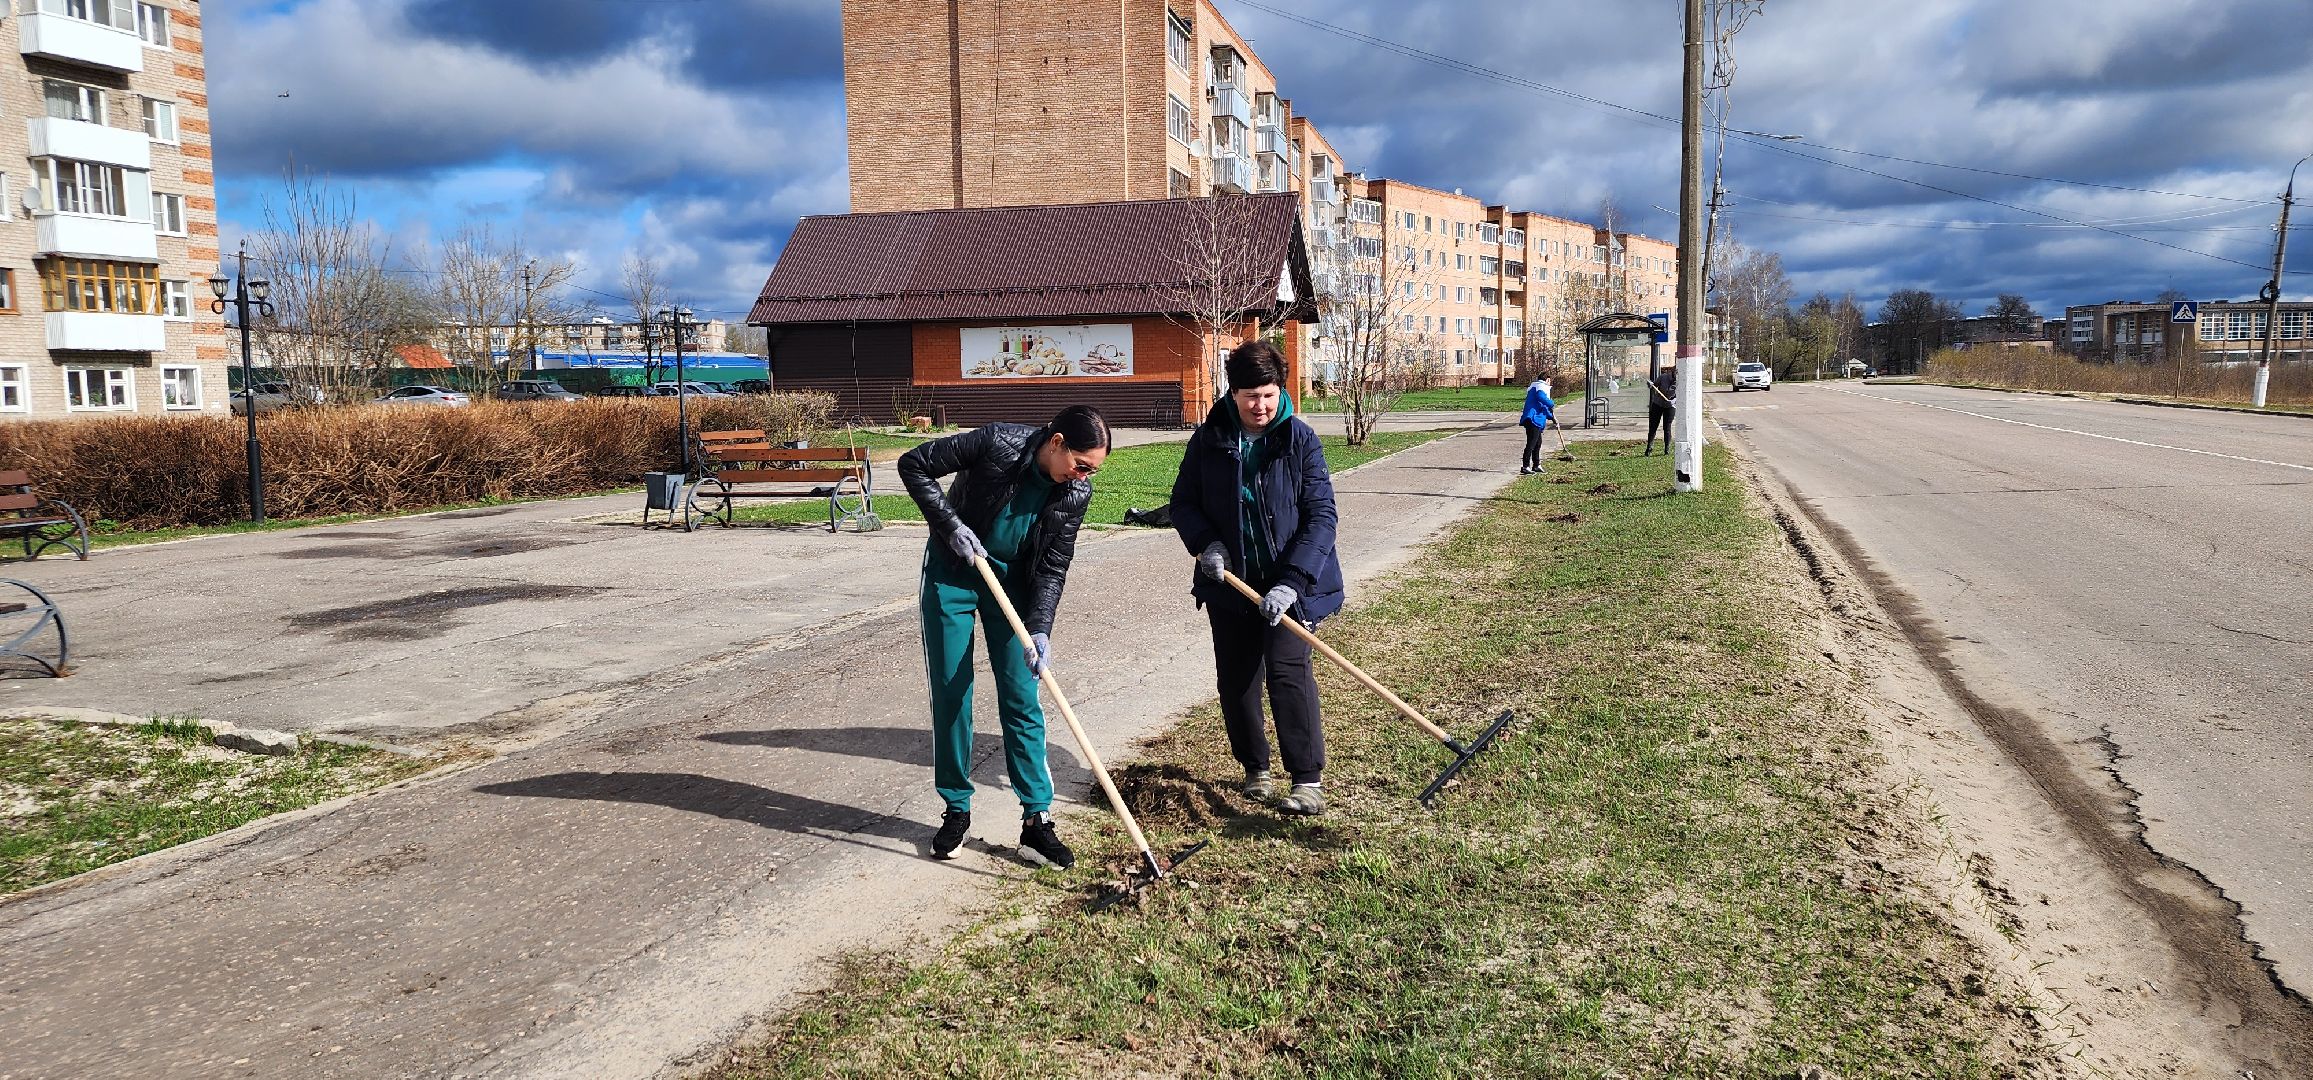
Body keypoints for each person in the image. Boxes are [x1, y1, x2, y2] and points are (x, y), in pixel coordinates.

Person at [898, 404, 1110, 867]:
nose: (1082, 477)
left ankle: (1037, 820)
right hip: (954, 572)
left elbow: (1053, 566)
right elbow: (913, 464)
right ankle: (956, 809)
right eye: (1080, 465)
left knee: (1021, 696)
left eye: (1091, 471)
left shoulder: (1075, 493)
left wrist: (1040, 628)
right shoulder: (997, 442)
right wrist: (949, 525)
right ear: (1056, 444)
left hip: (1011, 587)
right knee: (953, 693)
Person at [1169, 340, 1344, 816]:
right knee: (1238, 678)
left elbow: (1321, 515)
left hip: (1291, 585)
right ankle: (1256, 770)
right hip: (1231, 583)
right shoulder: (1210, 439)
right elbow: (1183, 501)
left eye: (1267, 394)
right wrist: (1209, 544)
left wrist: (1292, 581)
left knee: (1289, 673)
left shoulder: (1299, 439)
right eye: (1250, 395)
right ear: (1232, 393)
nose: (1260, 405)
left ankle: (1307, 780)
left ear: (1278, 390)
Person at [1520, 373, 1556, 474]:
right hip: (1533, 419)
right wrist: (1551, 403)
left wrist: (1552, 417)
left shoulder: (1535, 387)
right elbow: (1541, 397)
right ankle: (1525, 466)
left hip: (1535, 419)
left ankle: (1536, 465)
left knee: (1537, 443)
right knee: (1531, 443)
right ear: (1547, 380)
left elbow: (1542, 406)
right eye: (1550, 380)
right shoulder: (1541, 387)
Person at [1646, 365, 1677, 456]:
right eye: (1676, 372)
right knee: (1653, 427)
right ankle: (1649, 448)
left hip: (1670, 406)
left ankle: (1667, 449)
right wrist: (1650, 384)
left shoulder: (1681, 382)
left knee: (1667, 428)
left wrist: (1674, 400)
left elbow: (1680, 394)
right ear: (1673, 371)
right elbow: (1654, 385)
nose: (1677, 375)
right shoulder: (1663, 377)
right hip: (1658, 404)